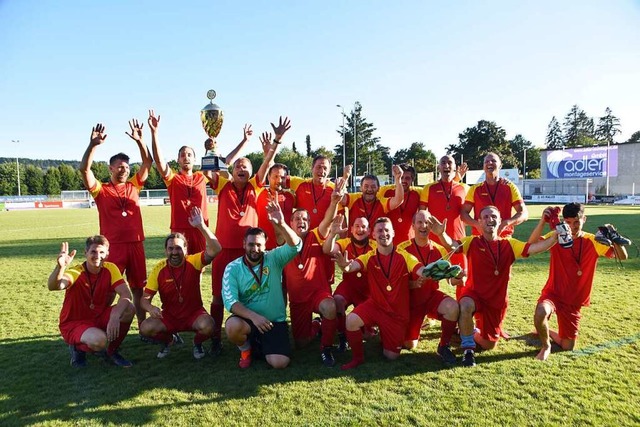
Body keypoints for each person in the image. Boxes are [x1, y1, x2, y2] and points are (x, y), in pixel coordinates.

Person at [435, 205, 557, 367]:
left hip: (496, 303)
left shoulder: (510, 245)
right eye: (485, 217)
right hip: (474, 295)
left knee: (488, 345)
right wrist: (441, 233)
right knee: (464, 305)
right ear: (479, 222)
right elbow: (452, 246)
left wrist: (554, 238)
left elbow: (534, 249)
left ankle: (468, 332)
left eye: (493, 216)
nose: (489, 219)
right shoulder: (472, 242)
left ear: (499, 221)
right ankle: (468, 350)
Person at [208, 118, 290, 355]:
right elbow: (215, 165)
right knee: (217, 296)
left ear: (252, 172)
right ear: (231, 171)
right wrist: (213, 147)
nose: (242, 168)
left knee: (260, 292)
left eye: (246, 166)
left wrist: (276, 141)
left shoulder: (256, 185)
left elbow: (266, 163)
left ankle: (268, 330)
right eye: (237, 166)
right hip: (225, 251)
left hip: (251, 251)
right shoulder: (222, 185)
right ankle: (215, 338)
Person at [529, 203, 628, 361]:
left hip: (574, 300)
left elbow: (622, 257)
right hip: (553, 293)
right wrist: (542, 222)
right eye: (567, 222)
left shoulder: (593, 241)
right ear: (563, 221)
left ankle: (542, 329)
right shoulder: (556, 236)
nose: (572, 227)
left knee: (568, 346)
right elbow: (531, 246)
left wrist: (613, 236)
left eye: (576, 222)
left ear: (584, 219)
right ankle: (545, 346)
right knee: (541, 312)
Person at [79, 121, 152, 330]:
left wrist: (140, 141)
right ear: (110, 168)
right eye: (120, 166)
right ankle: (98, 323)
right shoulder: (101, 190)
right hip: (114, 247)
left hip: (136, 244)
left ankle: (143, 327)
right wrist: (93, 145)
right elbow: (84, 169)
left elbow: (148, 162)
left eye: (127, 166)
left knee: (139, 288)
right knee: (109, 288)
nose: (124, 169)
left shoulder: (134, 185)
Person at [335, 217, 433, 370]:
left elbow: (421, 270)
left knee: (390, 356)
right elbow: (352, 267)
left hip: (396, 315)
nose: (383, 233)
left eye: (387, 230)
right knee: (351, 321)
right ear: (373, 235)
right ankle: (357, 358)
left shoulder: (404, 256)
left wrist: (432, 271)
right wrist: (344, 266)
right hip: (375, 307)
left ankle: (385, 336)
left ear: (393, 233)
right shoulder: (370, 256)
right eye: (379, 230)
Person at [148, 109, 251, 255]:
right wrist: (154, 133)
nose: (186, 157)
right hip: (179, 229)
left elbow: (225, 162)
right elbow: (158, 161)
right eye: (182, 155)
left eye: (189, 155)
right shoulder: (172, 179)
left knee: (200, 266)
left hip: (201, 227)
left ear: (195, 159)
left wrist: (244, 141)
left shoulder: (202, 176)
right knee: (180, 265)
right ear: (178, 160)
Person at [222, 200, 302, 369]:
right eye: (251, 244)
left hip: (273, 322)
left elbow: (296, 246)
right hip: (248, 321)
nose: (255, 249)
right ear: (244, 244)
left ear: (265, 245)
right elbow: (231, 302)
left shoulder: (274, 258)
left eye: (259, 245)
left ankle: (259, 345)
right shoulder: (233, 268)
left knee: (280, 363)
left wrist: (281, 223)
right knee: (231, 326)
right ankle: (245, 350)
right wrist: (254, 317)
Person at [139, 207, 222, 359]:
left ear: (186, 249)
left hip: (194, 314)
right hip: (170, 316)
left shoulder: (194, 261)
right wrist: (150, 308)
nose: (174, 252)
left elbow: (216, 248)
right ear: (165, 251)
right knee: (145, 328)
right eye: (170, 248)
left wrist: (201, 226)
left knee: (209, 325)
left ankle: (197, 344)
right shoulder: (159, 269)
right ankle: (169, 340)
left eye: (178, 248)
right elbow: (144, 299)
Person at [283, 178, 348, 367]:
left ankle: (326, 348)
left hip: (318, 293)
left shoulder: (316, 235)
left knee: (329, 306)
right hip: (298, 300)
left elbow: (327, 219)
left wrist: (334, 202)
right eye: (297, 219)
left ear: (309, 223)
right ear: (291, 223)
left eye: (305, 219)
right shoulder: (285, 243)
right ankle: (318, 325)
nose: (301, 222)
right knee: (301, 343)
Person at [48, 236, 135, 368]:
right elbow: (54, 286)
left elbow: (126, 295)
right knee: (99, 341)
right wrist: (60, 268)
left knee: (129, 308)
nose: (97, 256)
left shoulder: (111, 268)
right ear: (86, 253)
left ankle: (112, 351)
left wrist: (115, 316)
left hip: (98, 317)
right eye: (93, 252)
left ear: (107, 254)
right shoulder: (77, 271)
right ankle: (78, 348)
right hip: (75, 323)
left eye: (102, 252)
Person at [397, 210, 460, 365]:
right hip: (411, 302)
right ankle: (422, 322)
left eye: (427, 223)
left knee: (453, 307)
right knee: (409, 345)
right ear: (412, 225)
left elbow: (450, 280)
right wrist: (412, 284)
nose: (423, 226)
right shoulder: (402, 249)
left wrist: (459, 277)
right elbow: (394, 281)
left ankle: (444, 346)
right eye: (419, 222)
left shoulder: (439, 249)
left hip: (431, 297)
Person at [322, 214, 376, 351]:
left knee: (368, 336)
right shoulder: (344, 242)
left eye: (364, 227)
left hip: (368, 289)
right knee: (338, 299)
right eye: (357, 226)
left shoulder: (375, 246)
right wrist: (333, 234)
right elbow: (328, 250)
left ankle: (369, 326)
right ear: (351, 229)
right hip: (349, 286)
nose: (360, 229)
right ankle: (342, 335)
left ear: (369, 231)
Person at [420, 155, 469, 298]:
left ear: (455, 167)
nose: (446, 166)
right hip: (434, 242)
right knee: (428, 278)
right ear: (438, 167)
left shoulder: (464, 188)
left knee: (461, 278)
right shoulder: (429, 188)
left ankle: (462, 312)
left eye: (449, 163)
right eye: (443, 163)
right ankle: (428, 316)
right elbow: (421, 213)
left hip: (458, 241)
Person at [460, 152, 528, 238]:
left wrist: (506, 223)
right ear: (483, 167)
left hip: (503, 238)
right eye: (486, 161)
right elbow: (463, 213)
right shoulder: (475, 189)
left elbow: (524, 213)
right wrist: (477, 224)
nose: (489, 163)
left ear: (500, 165)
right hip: (479, 238)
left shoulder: (510, 187)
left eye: (493, 161)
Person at [341, 166, 404, 232]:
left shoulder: (382, 202)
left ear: (378, 188)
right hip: (355, 241)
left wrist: (398, 178)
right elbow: (340, 198)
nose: (370, 189)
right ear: (360, 188)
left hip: (375, 241)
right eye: (366, 186)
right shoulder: (354, 199)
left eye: (373, 186)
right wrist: (345, 177)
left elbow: (398, 200)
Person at [256, 162, 296, 250]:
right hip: (264, 247)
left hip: (286, 247)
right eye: (276, 176)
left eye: (282, 177)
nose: (279, 180)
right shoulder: (259, 194)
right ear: (268, 177)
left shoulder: (290, 197)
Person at [378, 163, 421, 244]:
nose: (403, 180)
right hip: (389, 241)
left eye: (407, 178)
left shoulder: (417, 194)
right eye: (401, 177)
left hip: (410, 241)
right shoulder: (385, 192)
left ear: (412, 180)